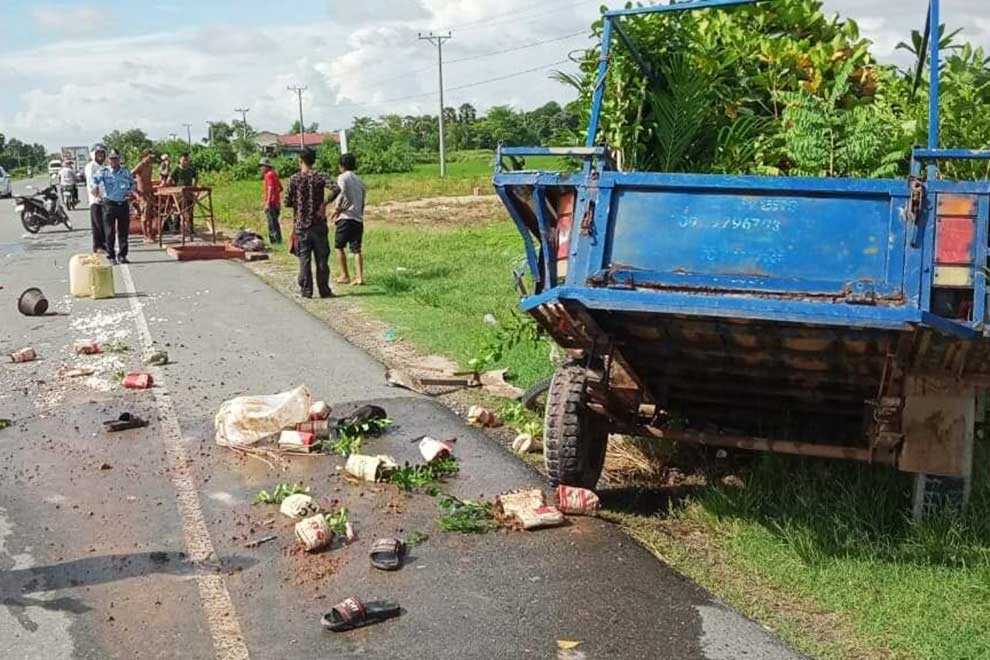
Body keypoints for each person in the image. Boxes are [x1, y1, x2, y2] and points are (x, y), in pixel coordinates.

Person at [284, 148, 334, 299]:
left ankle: (306, 290)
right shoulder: (321, 176)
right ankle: (324, 289)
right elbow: (337, 188)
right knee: (322, 258)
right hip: (318, 223)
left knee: (304, 259)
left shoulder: (294, 179)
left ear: (301, 160)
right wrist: (324, 203)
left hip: (302, 225)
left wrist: (299, 203)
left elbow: (287, 201)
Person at [92, 149, 135, 265]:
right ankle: (111, 255)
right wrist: (95, 188)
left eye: (115, 158)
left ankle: (122, 255)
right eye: (111, 159)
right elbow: (94, 180)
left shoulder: (125, 171)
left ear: (119, 159)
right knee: (109, 231)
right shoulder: (104, 171)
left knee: (123, 232)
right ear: (108, 160)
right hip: (109, 204)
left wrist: (131, 191)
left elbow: (132, 183)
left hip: (123, 203)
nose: (113, 161)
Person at [332, 152, 367, 285]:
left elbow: (341, 194)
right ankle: (359, 277)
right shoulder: (360, 180)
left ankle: (344, 275)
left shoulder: (342, 177)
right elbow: (362, 201)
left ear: (341, 166)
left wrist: (336, 210)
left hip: (346, 217)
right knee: (356, 249)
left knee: (339, 246)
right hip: (358, 218)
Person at [84, 144, 108, 253]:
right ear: (93, 154)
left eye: (102, 153)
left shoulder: (104, 167)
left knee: (105, 223)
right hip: (96, 199)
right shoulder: (91, 166)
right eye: (98, 153)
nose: (100, 155)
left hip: (106, 198)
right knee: (97, 223)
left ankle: (105, 244)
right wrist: (97, 195)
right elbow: (91, 182)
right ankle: (98, 246)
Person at [168, 152, 198, 234]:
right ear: (180, 160)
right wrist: (174, 186)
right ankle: (175, 228)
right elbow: (169, 179)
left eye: (187, 160)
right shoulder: (176, 169)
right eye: (184, 160)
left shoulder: (190, 169)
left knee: (190, 211)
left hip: (189, 192)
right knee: (178, 210)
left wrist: (194, 186)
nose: (185, 162)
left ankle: (191, 228)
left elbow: (196, 177)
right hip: (179, 193)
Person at [131, 151, 158, 242]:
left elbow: (149, 179)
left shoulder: (150, 166)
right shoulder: (140, 165)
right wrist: (135, 191)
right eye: (149, 158)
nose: (151, 160)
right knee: (145, 215)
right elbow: (130, 175)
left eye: (152, 158)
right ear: (144, 157)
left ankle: (150, 234)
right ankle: (146, 235)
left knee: (151, 215)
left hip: (149, 193)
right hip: (142, 194)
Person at [260, 158, 283, 244]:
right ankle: (278, 240)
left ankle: (274, 242)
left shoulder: (268, 175)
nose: (261, 168)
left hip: (271, 204)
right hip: (276, 203)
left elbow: (270, 188)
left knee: (271, 224)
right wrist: (276, 196)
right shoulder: (275, 174)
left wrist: (267, 202)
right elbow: (280, 188)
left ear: (266, 167)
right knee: (275, 223)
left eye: (262, 166)